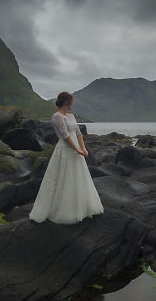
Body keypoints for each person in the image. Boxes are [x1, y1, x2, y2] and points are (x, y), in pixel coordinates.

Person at [29, 92, 104, 224]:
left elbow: (78, 133)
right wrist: (77, 149)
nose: (72, 104)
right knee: (64, 178)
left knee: (78, 178)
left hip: (77, 151)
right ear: (66, 102)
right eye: (71, 101)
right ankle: (63, 210)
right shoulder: (57, 116)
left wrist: (83, 148)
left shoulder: (72, 116)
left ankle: (81, 208)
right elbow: (65, 135)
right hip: (65, 150)